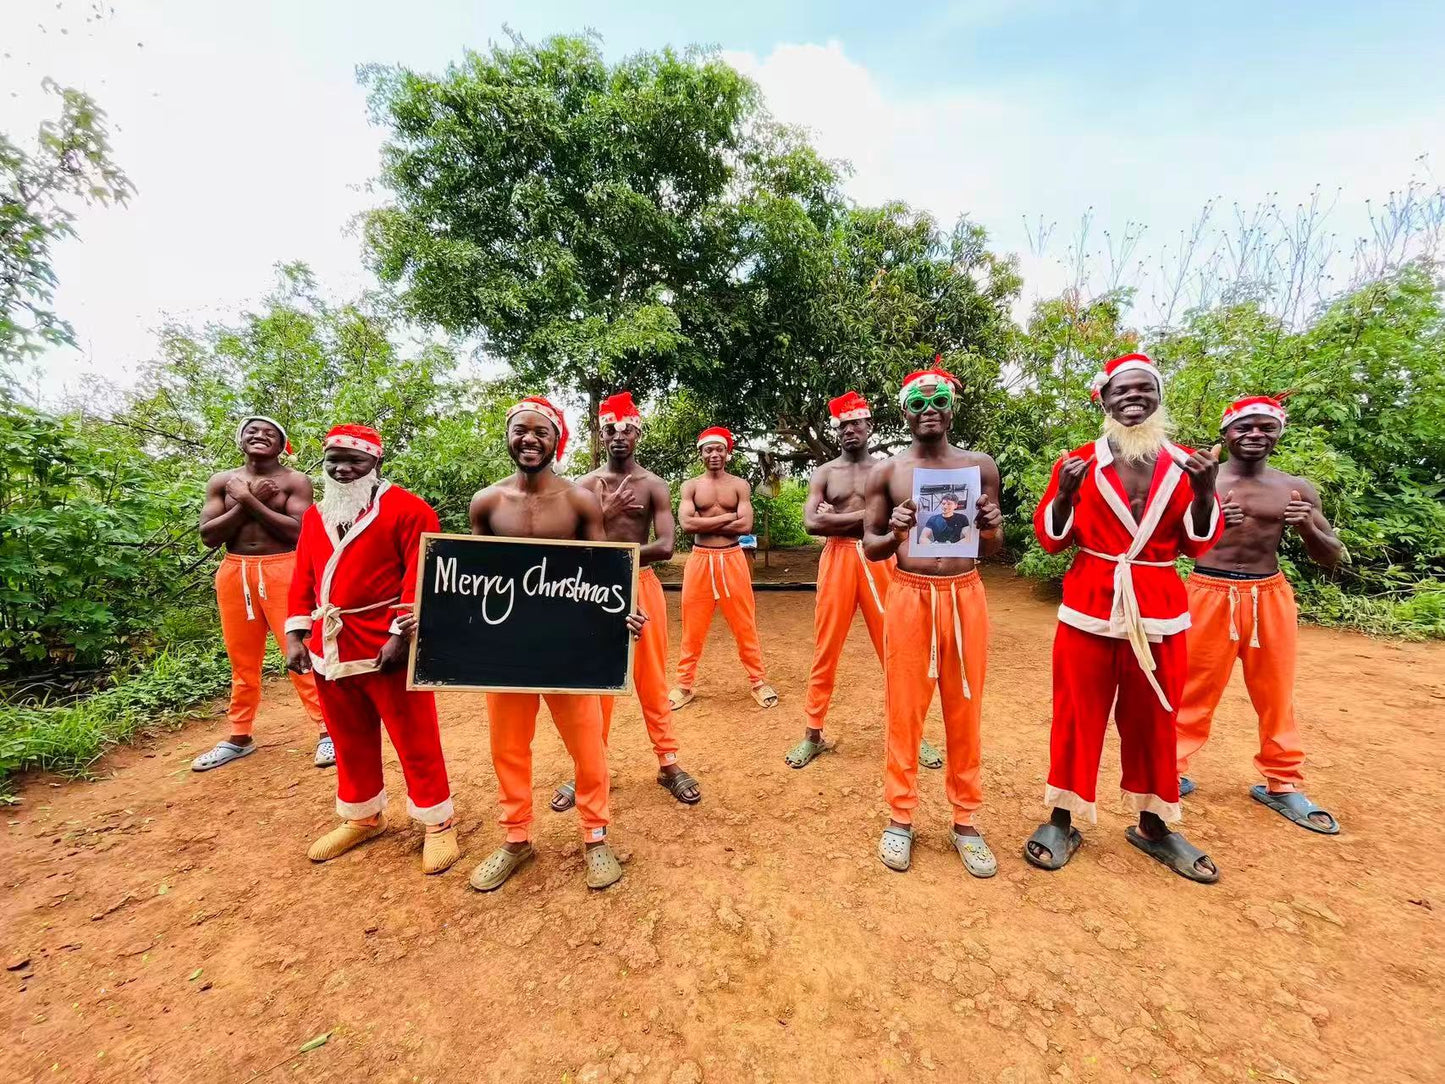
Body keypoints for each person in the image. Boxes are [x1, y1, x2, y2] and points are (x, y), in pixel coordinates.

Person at [1027, 353, 1223, 883]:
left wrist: (1207, 491)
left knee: (1154, 719)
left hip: (1159, 605)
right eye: (1121, 391)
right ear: (1104, 400)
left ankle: (1154, 825)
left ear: (1158, 397)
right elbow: (1050, 538)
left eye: (1144, 389)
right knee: (1076, 715)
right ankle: (1063, 818)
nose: (1133, 398)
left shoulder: (1187, 466)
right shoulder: (1078, 462)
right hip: (1089, 604)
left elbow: (1198, 541)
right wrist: (1065, 493)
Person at [467, 395, 642, 892]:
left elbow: (606, 574)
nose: (529, 439)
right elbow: (468, 579)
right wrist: (439, 622)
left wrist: (622, 617)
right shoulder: (487, 502)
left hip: (570, 649)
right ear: (508, 435)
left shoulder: (578, 501)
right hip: (507, 649)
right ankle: (515, 839)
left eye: (541, 432)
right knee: (508, 747)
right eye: (520, 430)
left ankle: (595, 835)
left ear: (556, 441)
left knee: (588, 746)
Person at [284, 424, 458, 875]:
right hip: (330, 642)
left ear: (375, 464)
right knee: (348, 736)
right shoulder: (315, 516)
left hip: (386, 641)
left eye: (354, 461)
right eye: (333, 461)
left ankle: (438, 821)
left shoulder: (409, 510)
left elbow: (421, 576)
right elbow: (303, 575)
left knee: (414, 735)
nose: (342, 469)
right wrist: (295, 634)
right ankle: (362, 814)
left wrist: (402, 635)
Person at [1175, 395, 1344, 833]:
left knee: (1275, 692)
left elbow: (1332, 556)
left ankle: (1283, 782)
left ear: (1278, 434)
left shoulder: (1296, 488)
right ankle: (1169, 772)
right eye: (1244, 427)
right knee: (1190, 687)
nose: (1254, 435)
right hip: (1206, 591)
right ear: (1226, 433)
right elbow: (1170, 541)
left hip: (1268, 595)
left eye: (1265, 428)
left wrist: (1307, 524)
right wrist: (1207, 520)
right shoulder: (1201, 483)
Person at [863, 364, 1004, 878]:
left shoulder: (980, 466)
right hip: (909, 595)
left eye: (938, 400)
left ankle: (966, 820)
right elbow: (871, 546)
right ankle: (900, 817)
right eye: (918, 404)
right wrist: (896, 528)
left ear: (952, 406)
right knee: (905, 707)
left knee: (965, 707)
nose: (928, 411)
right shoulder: (887, 472)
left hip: (965, 594)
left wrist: (990, 526)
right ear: (904, 411)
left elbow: (995, 543)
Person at [549, 391, 700, 809]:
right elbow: (567, 540)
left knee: (650, 676)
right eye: (611, 429)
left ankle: (668, 762)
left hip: (641, 583)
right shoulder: (582, 485)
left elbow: (667, 545)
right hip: (592, 588)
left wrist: (618, 555)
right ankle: (588, 766)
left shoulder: (653, 485)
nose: (619, 436)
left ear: (637, 434)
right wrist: (602, 510)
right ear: (602, 433)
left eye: (627, 429)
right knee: (595, 678)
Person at [787, 391, 944, 773]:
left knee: (898, 649)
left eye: (857, 422)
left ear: (870, 426)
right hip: (838, 558)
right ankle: (813, 732)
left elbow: (896, 521)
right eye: (843, 425)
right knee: (826, 647)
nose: (850, 430)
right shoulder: (825, 472)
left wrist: (837, 516)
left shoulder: (888, 469)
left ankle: (912, 733)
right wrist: (868, 516)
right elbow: (811, 524)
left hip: (881, 559)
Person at [195, 416, 329, 772]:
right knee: (242, 659)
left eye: (269, 433)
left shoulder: (295, 481)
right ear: (240, 440)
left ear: (283, 445)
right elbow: (209, 536)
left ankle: (326, 731)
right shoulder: (223, 482)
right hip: (234, 572)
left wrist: (249, 502)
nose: (259, 436)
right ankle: (239, 735)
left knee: (300, 651)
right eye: (252, 431)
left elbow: (298, 532)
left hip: (284, 568)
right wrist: (246, 501)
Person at [669, 426, 779, 711]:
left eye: (719, 449)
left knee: (744, 623)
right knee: (692, 624)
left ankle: (758, 681)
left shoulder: (739, 485)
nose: (714, 454)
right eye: (708, 450)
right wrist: (730, 516)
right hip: (700, 560)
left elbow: (745, 526)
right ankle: (684, 685)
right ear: (701, 454)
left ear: (727, 454)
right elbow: (687, 525)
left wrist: (707, 522)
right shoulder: (690, 486)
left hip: (732, 558)